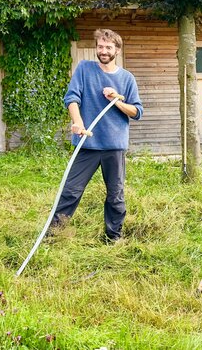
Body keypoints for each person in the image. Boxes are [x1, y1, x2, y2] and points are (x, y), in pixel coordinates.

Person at [51, 29, 144, 243]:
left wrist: (116, 100)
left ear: (117, 50)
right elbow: (72, 97)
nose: (103, 51)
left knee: (115, 195)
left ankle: (114, 237)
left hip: (114, 145)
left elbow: (137, 112)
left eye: (108, 47)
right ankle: (54, 234)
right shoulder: (85, 69)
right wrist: (77, 122)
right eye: (100, 46)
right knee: (71, 191)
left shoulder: (126, 78)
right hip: (87, 142)